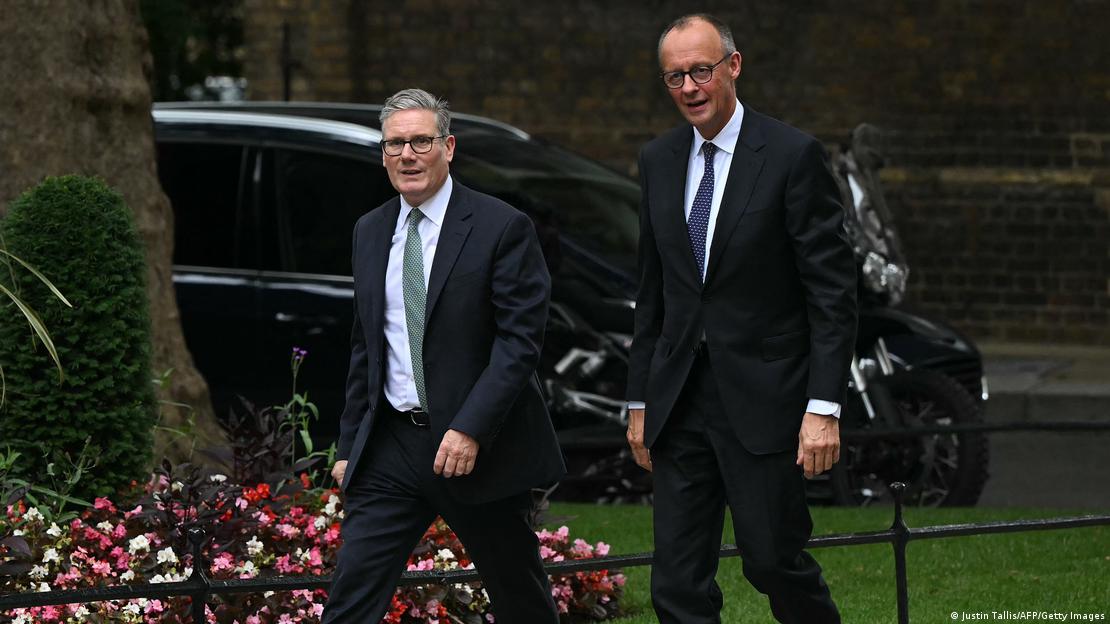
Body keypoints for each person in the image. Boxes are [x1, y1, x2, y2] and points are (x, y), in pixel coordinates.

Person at [625, 13, 857, 624]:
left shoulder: (792, 156)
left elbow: (832, 294)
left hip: (765, 400)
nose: (689, 88)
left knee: (774, 561)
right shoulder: (658, 160)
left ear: (734, 65)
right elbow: (653, 292)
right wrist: (639, 401)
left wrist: (824, 407)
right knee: (676, 583)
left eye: (701, 71)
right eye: (674, 77)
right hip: (679, 401)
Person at [322, 88, 564, 624]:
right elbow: (367, 346)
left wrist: (471, 428)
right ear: (383, 154)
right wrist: (349, 444)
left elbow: (519, 344)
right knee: (351, 595)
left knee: (519, 596)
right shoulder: (370, 230)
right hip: (391, 445)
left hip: (475, 447)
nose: (407, 155)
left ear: (448, 148)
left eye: (421, 142)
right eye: (395, 144)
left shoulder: (502, 227)